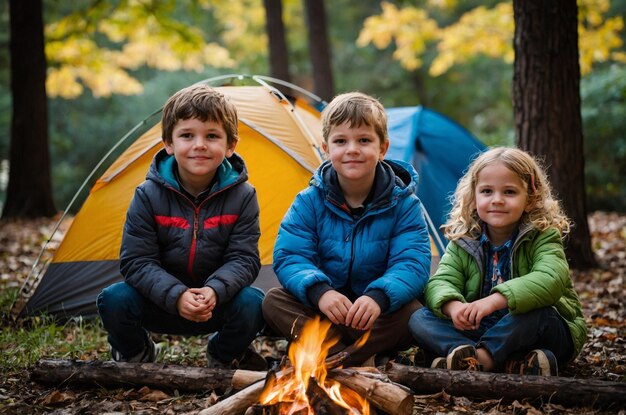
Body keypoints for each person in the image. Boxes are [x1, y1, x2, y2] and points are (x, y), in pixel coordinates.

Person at [97, 84, 266, 370]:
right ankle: (136, 351)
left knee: (255, 303)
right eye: (187, 135)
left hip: (214, 303)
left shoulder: (243, 196)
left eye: (211, 136)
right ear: (169, 143)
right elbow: (136, 261)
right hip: (159, 301)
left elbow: (245, 259)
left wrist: (213, 291)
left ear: (230, 146)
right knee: (113, 300)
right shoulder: (147, 195)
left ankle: (223, 353)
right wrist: (177, 296)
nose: (199, 145)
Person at [262, 92, 432, 367]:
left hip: (375, 316)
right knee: (273, 302)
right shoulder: (309, 201)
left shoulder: (404, 204)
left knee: (414, 314)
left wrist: (378, 297)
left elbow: (412, 263)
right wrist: (321, 292)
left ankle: (335, 359)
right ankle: (357, 358)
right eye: (341, 141)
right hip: (326, 313)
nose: (352, 149)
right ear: (326, 149)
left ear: (383, 148)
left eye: (364, 140)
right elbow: (291, 256)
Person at [409, 147, 587, 376]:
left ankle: (479, 360)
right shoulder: (464, 240)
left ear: (530, 199)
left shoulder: (542, 235)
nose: (497, 200)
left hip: (537, 329)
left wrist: (494, 301)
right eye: (487, 191)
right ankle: (513, 363)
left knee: (539, 314)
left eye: (510, 192)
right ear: (473, 198)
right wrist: (454, 307)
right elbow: (441, 281)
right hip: (482, 329)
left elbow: (551, 279)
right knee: (419, 318)